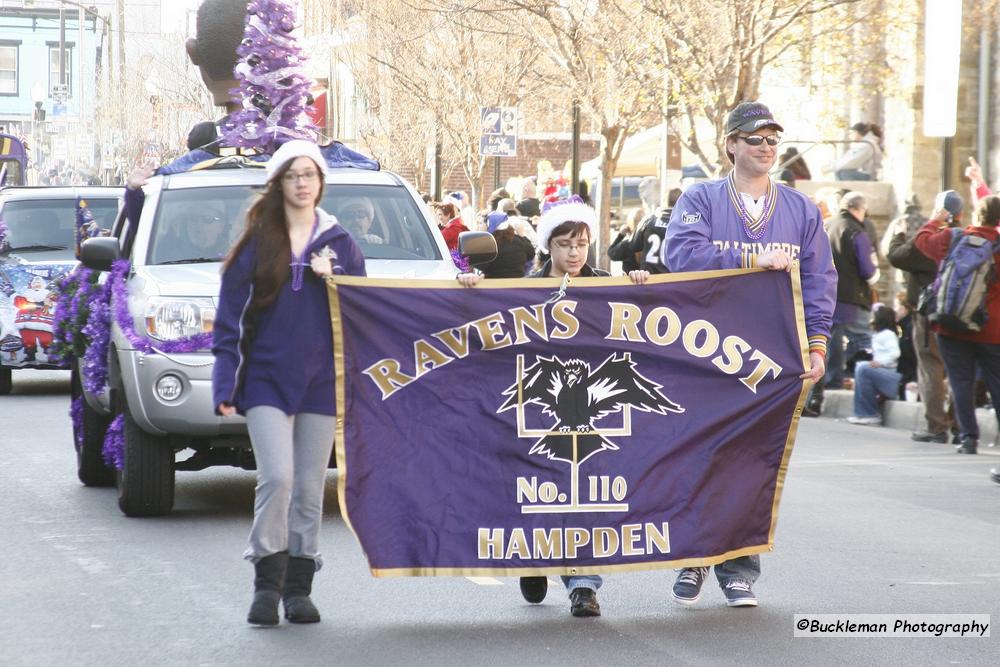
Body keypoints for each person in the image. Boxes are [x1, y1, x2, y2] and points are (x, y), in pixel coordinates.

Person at [663, 101, 836, 608]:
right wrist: (748, 257)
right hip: (704, 348)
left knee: (752, 460)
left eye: (772, 139)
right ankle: (693, 556)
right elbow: (681, 254)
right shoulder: (701, 198)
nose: (765, 147)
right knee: (701, 451)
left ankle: (739, 566)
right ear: (732, 144)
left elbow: (821, 281)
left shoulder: (801, 210)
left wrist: (818, 343)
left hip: (772, 353)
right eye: (755, 138)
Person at [458, 196, 651, 617]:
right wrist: (473, 290)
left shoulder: (605, 285)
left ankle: (583, 586)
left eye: (581, 243)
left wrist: (640, 281)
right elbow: (487, 325)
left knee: (586, 497)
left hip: (590, 416)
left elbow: (646, 319)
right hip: (539, 408)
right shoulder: (524, 289)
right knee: (540, 490)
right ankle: (535, 558)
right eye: (565, 244)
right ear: (549, 246)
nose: (574, 252)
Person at [211, 140, 366, 626]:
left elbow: (364, 311)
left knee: (307, 487)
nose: (303, 183)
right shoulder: (259, 243)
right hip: (265, 382)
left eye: (310, 175)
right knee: (276, 478)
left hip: (320, 383)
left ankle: (298, 588)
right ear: (278, 184)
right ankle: (265, 583)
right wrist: (223, 386)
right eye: (293, 175)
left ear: (321, 183)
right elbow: (228, 320)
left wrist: (334, 279)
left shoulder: (340, 244)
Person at [914, 195, 1000, 456]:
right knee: (996, 385)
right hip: (991, 329)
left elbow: (922, 242)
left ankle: (968, 439)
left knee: (960, 382)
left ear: (976, 214)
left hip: (951, 325)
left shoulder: (954, 237)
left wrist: (934, 220)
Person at [887, 191, 962, 442]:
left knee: (931, 368)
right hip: (958, 313)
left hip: (929, 313)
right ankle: (960, 425)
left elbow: (898, 256)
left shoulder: (932, 240)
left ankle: (937, 426)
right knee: (957, 369)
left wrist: (899, 233)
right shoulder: (964, 238)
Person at [826, 192, 880, 390]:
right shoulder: (856, 231)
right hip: (850, 295)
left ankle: (829, 381)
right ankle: (861, 383)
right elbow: (868, 270)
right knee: (865, 337)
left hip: (825, 292)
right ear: (859, 209)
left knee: (830, 338)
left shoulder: (826, 225)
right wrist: (876, 277)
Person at [847, 305, 901, 426]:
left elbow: (895, 353)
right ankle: (862, 413)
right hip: (883, 371)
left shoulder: (888, 334)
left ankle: (869, 414)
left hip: (889, 371)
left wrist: (880, 363)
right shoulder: (878, 335)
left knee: (863, 368)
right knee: (861, 366)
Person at [479, 211, 535, 278]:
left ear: (488, 225)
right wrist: (522, 236)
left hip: (493, 285)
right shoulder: (520, 241)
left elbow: (477, 265)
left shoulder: (488, 245)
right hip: (518, 285)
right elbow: (531, 254)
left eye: (481, 223)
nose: (479, 226)